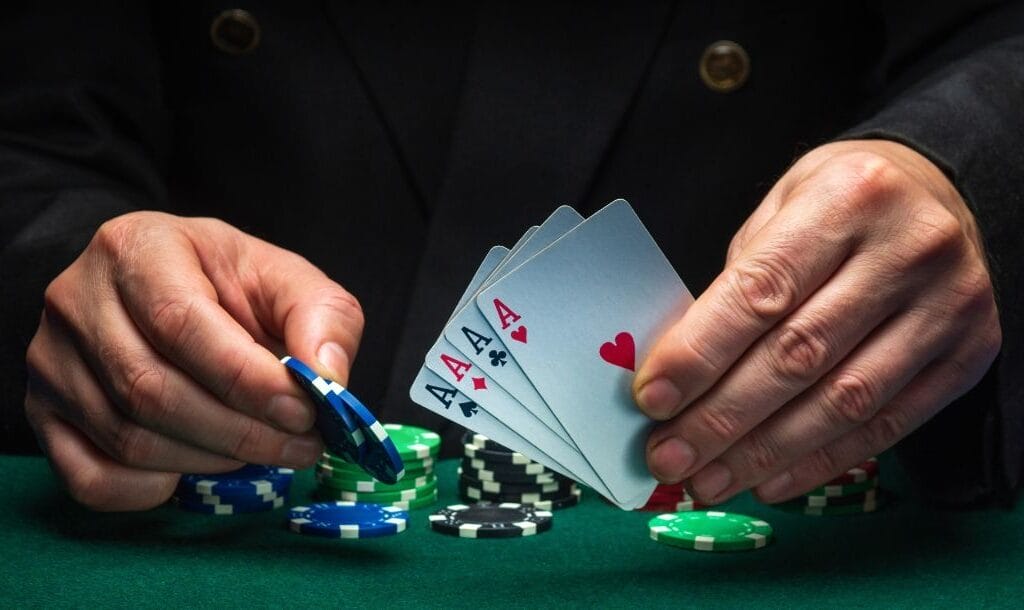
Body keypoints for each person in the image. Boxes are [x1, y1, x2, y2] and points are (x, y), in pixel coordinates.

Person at [0, 2, 1020, 512]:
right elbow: (31, 141)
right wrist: (65, 270)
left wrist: (961, 173)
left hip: (821, 498)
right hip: (220, 494)